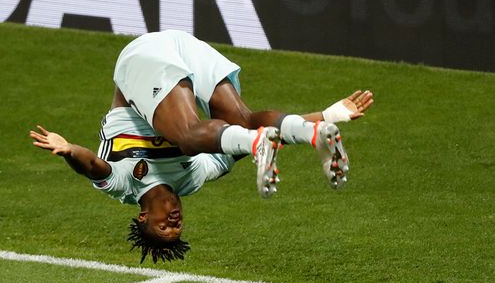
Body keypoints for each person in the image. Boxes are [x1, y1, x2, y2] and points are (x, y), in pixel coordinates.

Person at [30, 30, 374, 263]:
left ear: (144, 216)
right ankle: (313, 135)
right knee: (242, 122)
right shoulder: (192, 179)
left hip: (140, 59)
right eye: (177, 227)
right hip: (187, 51)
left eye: (165, 226)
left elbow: (92, 165)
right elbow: (240, 139)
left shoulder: (125, 184)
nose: (174, 221)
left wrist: (68, 149)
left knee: (190, 137)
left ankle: (259, 144)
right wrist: (328, 116)